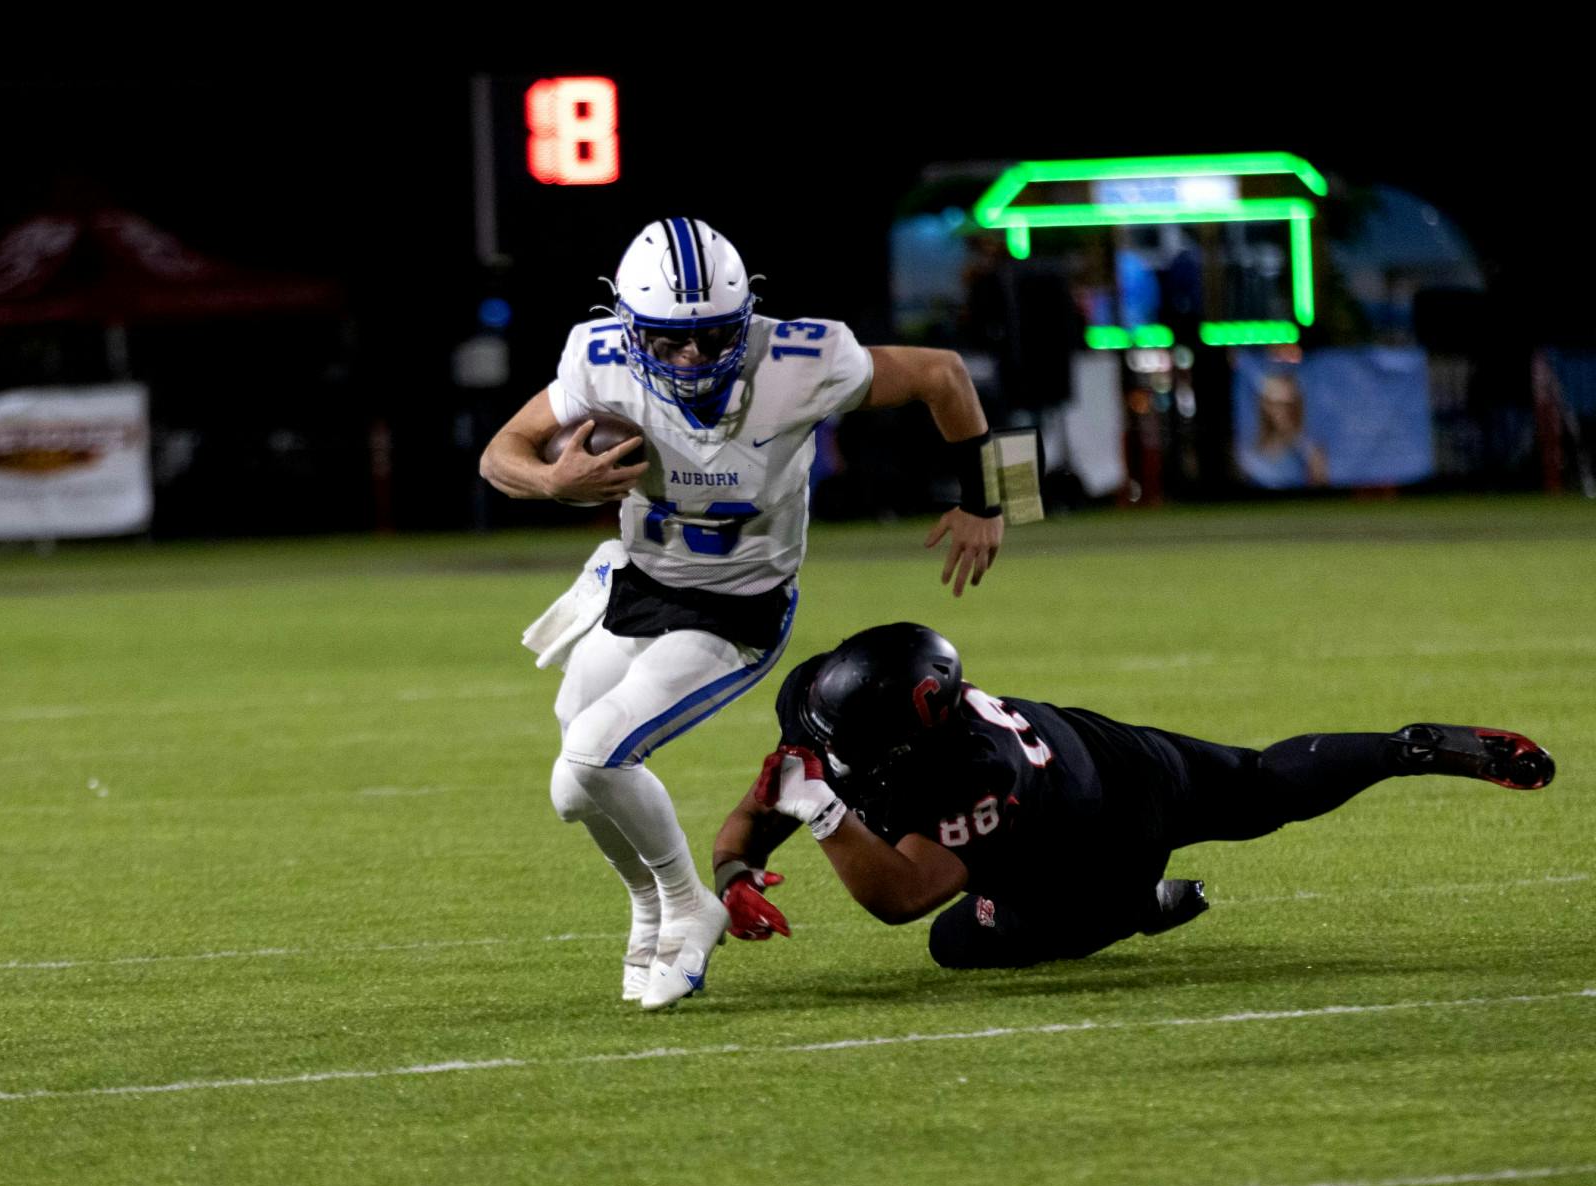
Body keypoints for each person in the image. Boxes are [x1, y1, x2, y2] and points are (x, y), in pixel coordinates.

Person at [480, 219, 1005, 1009]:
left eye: (713, 336)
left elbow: (944, 373)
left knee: (594, 754)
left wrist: (990, 499)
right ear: (628, 327)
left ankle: (689, 903)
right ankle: (652, 904)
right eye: (669, 342)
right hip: (638, 585)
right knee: (573, 788)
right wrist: (551, 483)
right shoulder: (598, 360)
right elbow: (500, 453)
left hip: (735, 608)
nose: (693, 358)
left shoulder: (800, 360)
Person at [711, 622, 1556, 968]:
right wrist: (736, 872)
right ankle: (1405, 749)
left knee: (952, 942)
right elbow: (759, 807)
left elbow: (900, 894)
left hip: (1092, 841)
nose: (823, 747)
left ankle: (1138, 904)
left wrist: (821, 811)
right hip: (1109, 749)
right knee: (1260, 784)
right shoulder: (836, 706)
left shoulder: (974, 775)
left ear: (912, 728)